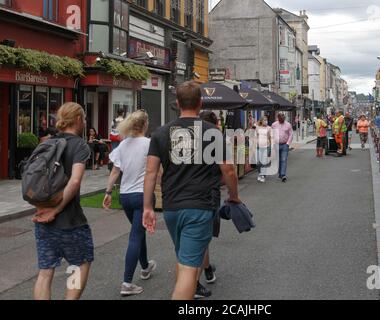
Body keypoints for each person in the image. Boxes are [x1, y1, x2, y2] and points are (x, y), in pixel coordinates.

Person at [142, 81, 241, 300]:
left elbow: (150, 173)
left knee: (184, 259)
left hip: (172, 208)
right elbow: (228, 169)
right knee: (188, 267)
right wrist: (234, 196)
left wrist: (148, 206)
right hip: (199, 206)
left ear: (177, 103)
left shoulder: (160, 133)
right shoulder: (212, 132)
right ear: (201, 103)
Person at [32, 102, 93, 300]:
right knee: (79, 264)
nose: (84, 122)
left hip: (43, 221)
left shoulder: (46, 143)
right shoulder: (79, 145)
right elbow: (75, 181)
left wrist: (44, 209)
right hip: (71, 221)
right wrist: (56, 209)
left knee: (45, 272)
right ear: (77, 120)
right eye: (83, 119)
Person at [103, 110, 157, 296]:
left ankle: (145, 266)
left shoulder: (123, 145)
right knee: (135, 236)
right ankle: (126, 283)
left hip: (125, 196)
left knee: (137, 231)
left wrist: (108, 192)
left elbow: (115, 172)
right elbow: (159, 171)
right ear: (145, 125)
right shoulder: (150, 144)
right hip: (143, 195)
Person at [198, 111, 223, 294]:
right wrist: (234, 195)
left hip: (185, 194)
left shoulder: (192, 138)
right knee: (200, 238)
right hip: (209, 193)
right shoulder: (216, 139)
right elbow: (228, 170)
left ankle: (207, 270)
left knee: (202, 237)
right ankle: (194, 284)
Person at [271, 113, 293, 182]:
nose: (282, 120)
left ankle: (283, 174)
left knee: (283, 159)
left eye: (283, 119)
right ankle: (280, 173)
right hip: (276, 145)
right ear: (278, 118)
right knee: (278, 160)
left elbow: (291, 134)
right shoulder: (274, 125)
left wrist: (287, 144)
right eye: (281, 119)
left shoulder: (288, 125)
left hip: (284, 145)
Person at [255, 117, 272, 182]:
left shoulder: (269, 128)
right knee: (258, 162)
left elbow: (270, 138)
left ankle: (263, 175)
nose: (266, 121)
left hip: (266, 147)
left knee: (264, 162)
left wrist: (271, 146)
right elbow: (255, 137)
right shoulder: (257, 128)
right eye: (264, 120)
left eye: (266, 120)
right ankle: (259, 173)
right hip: (258, 147)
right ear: (261, 121)